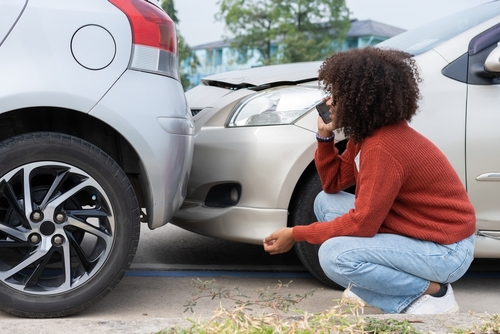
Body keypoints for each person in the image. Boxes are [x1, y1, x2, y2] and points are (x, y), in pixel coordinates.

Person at [263, 47, 476, 314]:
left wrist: (297, 234)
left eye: (338, 95)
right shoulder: (366, 136)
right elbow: (333, 184)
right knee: (325, 201)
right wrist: (325, 138)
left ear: (360, 99)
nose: (330, 101)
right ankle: (381, 286)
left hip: (447, 251)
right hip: (418, 232)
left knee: (334, 256)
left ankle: (433, 294)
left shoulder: (383, 146)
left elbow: (363, 224)